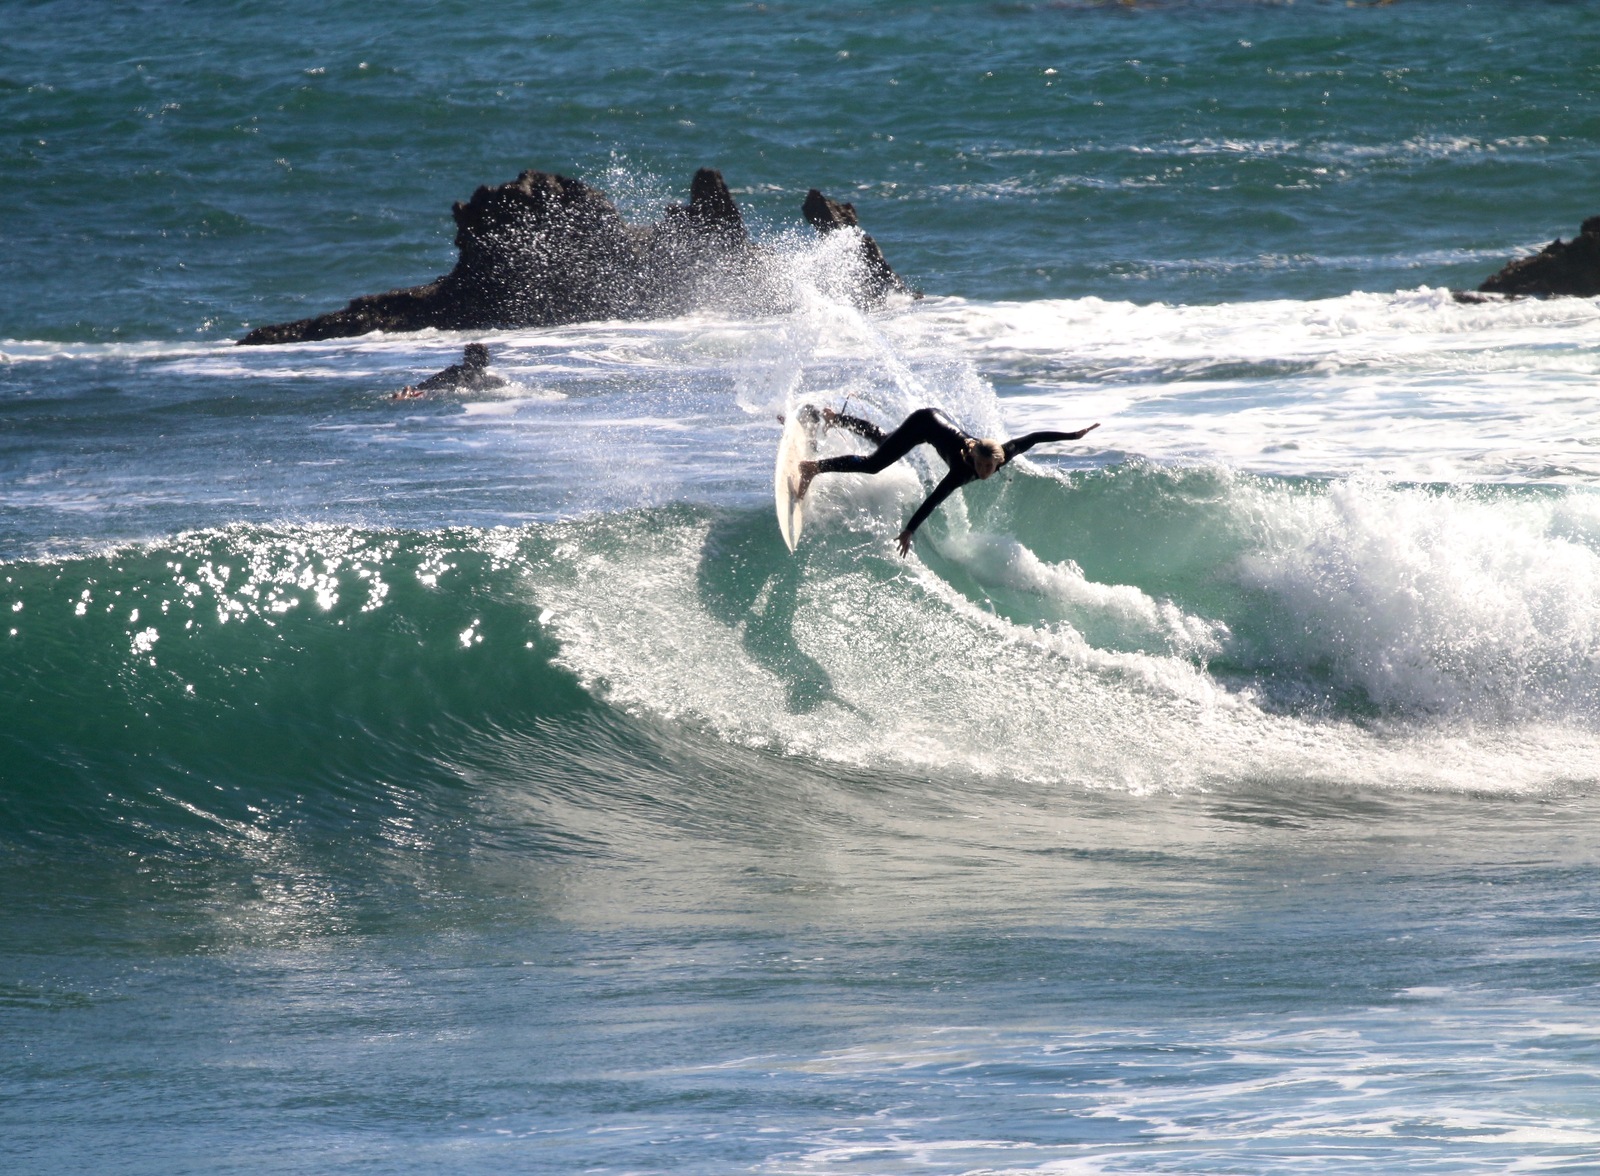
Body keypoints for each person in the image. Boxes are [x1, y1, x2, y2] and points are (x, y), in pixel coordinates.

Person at [796, 406, 1099, 556]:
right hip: (924, 421)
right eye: (980, 466)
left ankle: (835, 417)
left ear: (998, 461)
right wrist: (909, 531)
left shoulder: (1003, 452)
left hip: (934, 424)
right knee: (876, 464)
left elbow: (1033, 438)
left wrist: (1073, 435)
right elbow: (934, 499)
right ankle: (813, 467)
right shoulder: (961, 471)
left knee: (886, 440)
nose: (983, 472)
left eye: (988, 468)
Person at [393, 343, 507, 399]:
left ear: (466, 358)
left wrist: (410, 391)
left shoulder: (455, 372)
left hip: (449, 394)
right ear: (485, 360)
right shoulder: (493, 379)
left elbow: (423, 386)